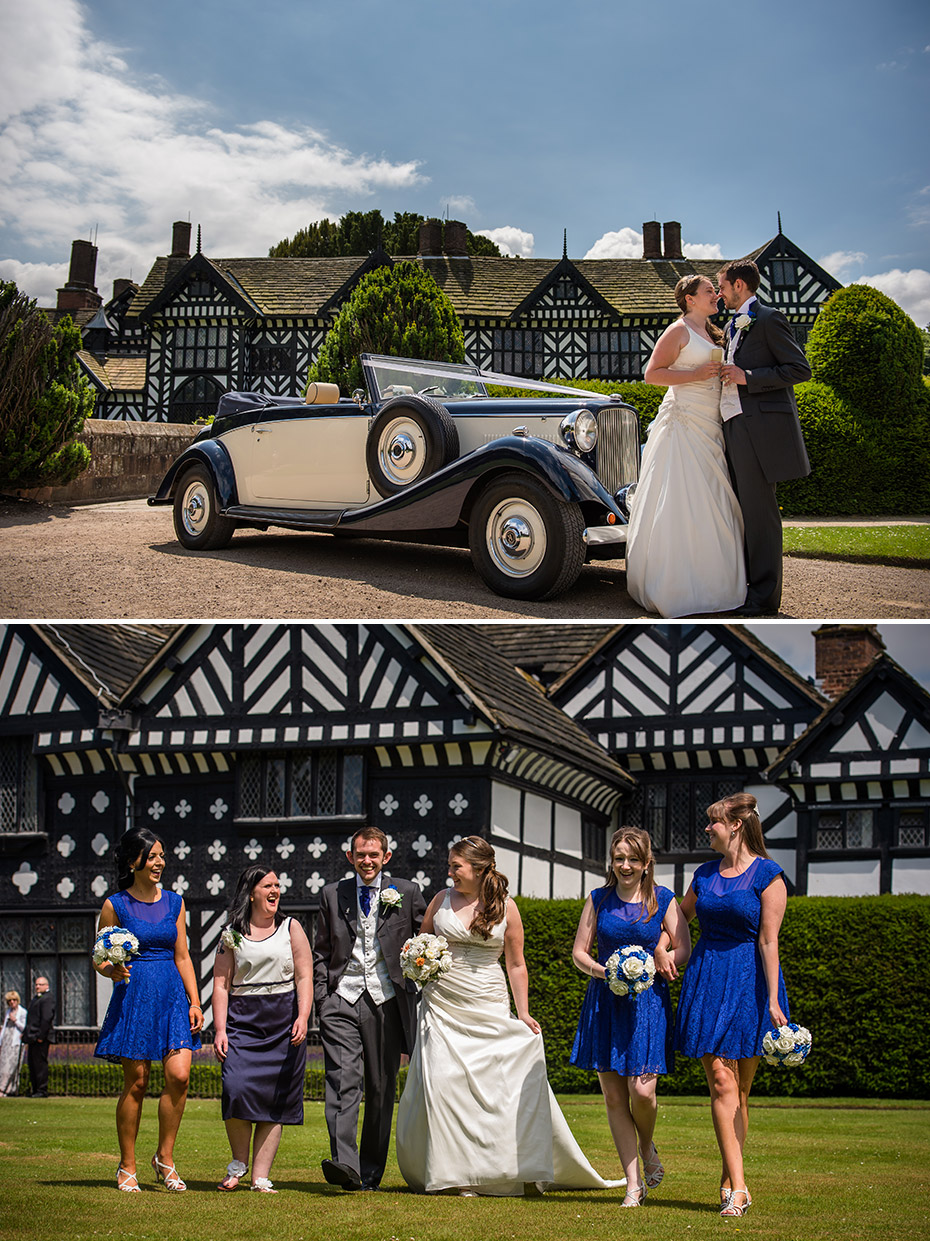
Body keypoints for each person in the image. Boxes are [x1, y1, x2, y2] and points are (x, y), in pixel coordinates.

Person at [395, 835, 622, 1197]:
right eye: (450, 865)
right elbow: (420, 944)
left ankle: (501, 1166)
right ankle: (456, 1173)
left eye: (457, 866)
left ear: (480, 869)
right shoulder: (440, 900)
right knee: (444, 1083)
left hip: (487, 999)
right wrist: (418, 963)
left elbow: (516, 964)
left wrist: (524, 1013)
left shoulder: (506, 908)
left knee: (495, 1088)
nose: (450, 872)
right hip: (441, 1004)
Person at [662, 793, 789, 1218]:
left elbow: (768, 941)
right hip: (707, 977)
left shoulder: (769, 876)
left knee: (742, 1089)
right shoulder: (702, 874)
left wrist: (773, 999)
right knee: (721, 1079)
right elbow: (679, 920)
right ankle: (739, 1188)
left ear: (735, 825)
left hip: (750, 981)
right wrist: (662, 948)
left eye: (712, 822)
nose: (706, 829)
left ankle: (728, 1177)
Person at [570, 827, 691, 1206]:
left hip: (648, 1004)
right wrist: (606, 972)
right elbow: (580, 952)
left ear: (646, 863)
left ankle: (646, 1144)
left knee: (642, 1091)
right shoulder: (598, 899)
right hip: (605, 1002)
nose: (625, 865)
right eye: (619, 858)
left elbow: (684, 946)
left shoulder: (663, 900)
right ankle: (632, 1185)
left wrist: (664, 955)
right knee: (613, 1098)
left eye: (633, 859)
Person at [625, 274, 747, 618]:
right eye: (710, 291)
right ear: (689, 299)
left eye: (715, 290)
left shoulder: (716, 332)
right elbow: (653, 374)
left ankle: (719, 584)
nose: (717, 295)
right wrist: (697, 375)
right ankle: (676, 586)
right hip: (683, 422)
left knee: (716, 497)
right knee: (683, 497)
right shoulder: (677, 331)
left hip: (712, 422)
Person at [313, 825, 427, 1191]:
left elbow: (425, 943)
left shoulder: (407, 893)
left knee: (380, 1088)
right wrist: (322, 997)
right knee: (343, 1080)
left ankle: (371, 1172)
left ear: (386, 857)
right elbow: (322, 951)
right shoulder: (333, 894)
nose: (367, 860)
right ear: (350, 857)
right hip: (341, 998)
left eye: (373, 855)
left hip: (386, 1000)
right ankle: (344, 1164)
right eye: (360, 854)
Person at [94, 827, 203, 1192]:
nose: (160, 862)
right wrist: (112, 969)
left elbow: (183, 955)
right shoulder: (115, 905)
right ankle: (127, 1165)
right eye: (152, 856)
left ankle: (165, 1158)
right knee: (137, 1082)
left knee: (180, 1076)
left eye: (161, 855)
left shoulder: (175, 902)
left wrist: (196, 1001)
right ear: (132, 861)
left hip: (172, 994)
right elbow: (99, 957)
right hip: (135, 995)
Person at [717, 259, 812, 616]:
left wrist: (749, 376)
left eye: (722, 286)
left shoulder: (769, 319)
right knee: (741, 513)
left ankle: (763, 600)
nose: (720, 293)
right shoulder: (730, 325)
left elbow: (799, 369)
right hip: (732, 425)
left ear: (739, 285)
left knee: (760, 515)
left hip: (757, 429)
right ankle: (745, 589)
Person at [213, 866, 313, 1193]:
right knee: (236, 1088)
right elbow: (221, 984)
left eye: (277, 884)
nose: (275, 890)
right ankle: (237, 1163)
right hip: (242, 1021)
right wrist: (220, 1030)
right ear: (252, 891)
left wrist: (303, 1016)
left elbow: (304, 977)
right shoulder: (231, 933)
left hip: (283, 1021)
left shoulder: (291, 927)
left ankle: (260, 1176)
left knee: (275, 1100)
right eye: (267, 885)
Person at [24, 976, 55, 1097]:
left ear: (46, 986)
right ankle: (35, 1089)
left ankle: (42, 1090)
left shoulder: (47, 999)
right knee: (32, 1063)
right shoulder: (36, 999)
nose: (37, 987)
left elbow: (46, 1018)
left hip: (40, 1037)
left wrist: (41, 1036)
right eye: (36, 984)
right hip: (32, 1036)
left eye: (40, 984)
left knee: (40, 1063)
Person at [0, 990, 27, 1096]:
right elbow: (4, 1027)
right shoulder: (8, 1011)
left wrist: (15, 1020)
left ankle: (5, 1089)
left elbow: (24, 1027)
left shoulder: (22, 1012)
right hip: (7, 1040)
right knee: (3, 1065)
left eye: (14, 1000)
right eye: (10, 1001)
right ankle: (6, 1089)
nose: (12, 1002)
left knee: (11, 1066)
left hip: (15, 1042)